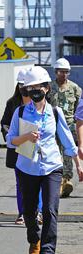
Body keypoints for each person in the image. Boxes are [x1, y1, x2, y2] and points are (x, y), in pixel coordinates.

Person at [6, 66, 83, 254]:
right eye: (30, 88)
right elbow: (10, 140)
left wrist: (78, 164)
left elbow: (67, 141)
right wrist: (26, 137)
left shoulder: (55, 113)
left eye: (38, 87)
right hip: (26, 167)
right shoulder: (20, 111)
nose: (35, 91)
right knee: (29, 211)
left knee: (50, 209)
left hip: (51, 166)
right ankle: (34, 239)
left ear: (47, 89)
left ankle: (48, 251)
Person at [1, 69, 42, 225]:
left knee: (38, 179)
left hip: (36, 148)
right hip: (17, 148)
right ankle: (23, 213)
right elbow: (4, 124)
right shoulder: (12, 104)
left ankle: (38, 212)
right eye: (21, 85)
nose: (24, 88)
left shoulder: (40, 102)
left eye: (27, 85)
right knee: (21, 182)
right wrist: (12, 139)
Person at [47, 58, 82, 198]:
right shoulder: (49, 87)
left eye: (66, 72)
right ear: (56, 72)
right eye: (61, 72)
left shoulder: (75, 88)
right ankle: (57, 180)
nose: (64, 74)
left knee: (68, 153)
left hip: (69, 125)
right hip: (53, 125)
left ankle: (66, 180)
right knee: (55, 153)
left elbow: (80, 108)